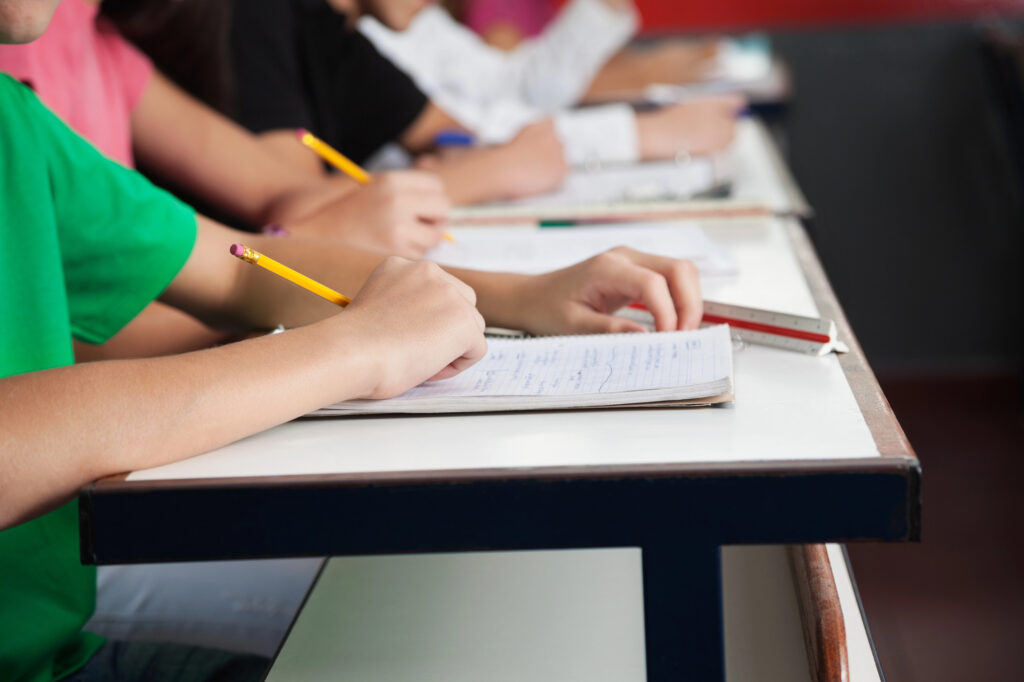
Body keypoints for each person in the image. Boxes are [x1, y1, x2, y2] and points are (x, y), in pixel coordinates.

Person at [0, 3, 704, 679]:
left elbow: (240, 264)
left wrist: (521, 295)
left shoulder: (16, 122)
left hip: (57, 651)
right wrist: (354, 350)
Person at [103, 0, 740, 201]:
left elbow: (461, 133)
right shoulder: (257, 16)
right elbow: (299, 213)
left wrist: (482, 163)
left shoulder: (335, 34)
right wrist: (476, 178)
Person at [358, 1, 742, 167]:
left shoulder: (413, 21)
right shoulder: (348, 33)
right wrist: (640, 134)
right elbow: (464, 130)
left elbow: (510, 86)